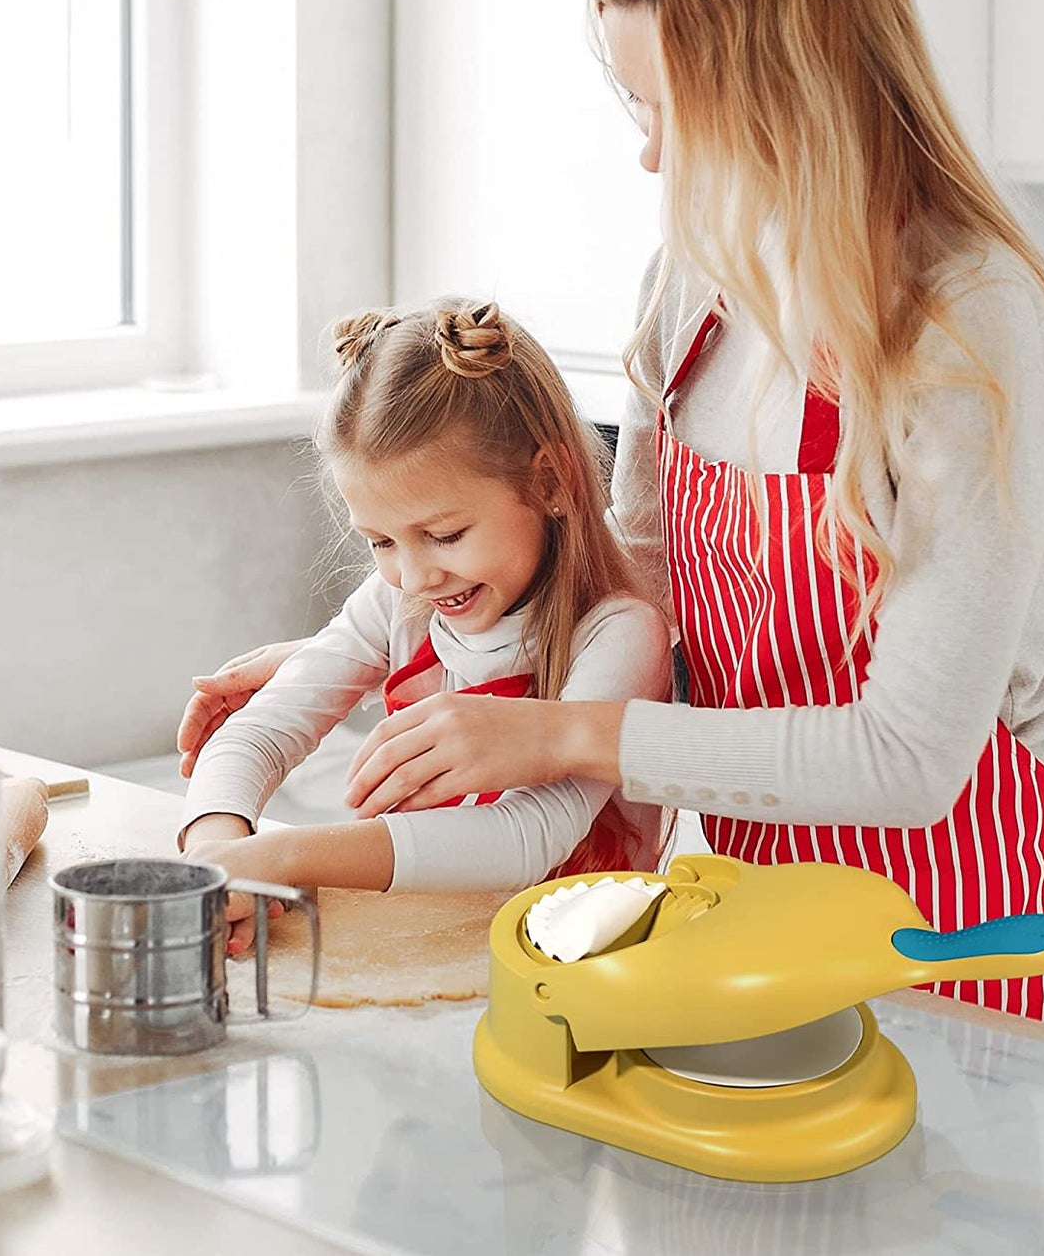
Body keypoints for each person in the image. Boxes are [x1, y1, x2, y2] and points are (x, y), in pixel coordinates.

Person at [179, 0, 1044, 1034]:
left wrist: (555, 726)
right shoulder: (695, 283)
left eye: (683, 109)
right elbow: (641, 580)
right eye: (638, 104)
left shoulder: (964, 326)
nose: (653, 153)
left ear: (797, 92)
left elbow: (906, 759)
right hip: (747, 920)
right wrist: (397, 648)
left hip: (968, 940)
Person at [177, 299, 672, 955]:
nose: (412, 575)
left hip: (574, 961)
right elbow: (261, 731)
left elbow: (531, 835)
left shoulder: (617, 636)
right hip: (422, 939)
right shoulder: (396, 604)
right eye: (380, 541)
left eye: (443, 535)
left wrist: (284, 856)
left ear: (551, 481)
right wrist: (217, 854)